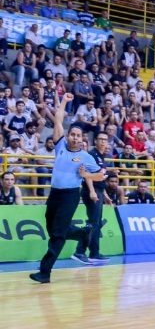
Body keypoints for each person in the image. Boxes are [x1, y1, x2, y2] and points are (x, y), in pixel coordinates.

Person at [29, 93, 106, 283]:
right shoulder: (60, 146)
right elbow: (58, 120)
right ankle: (82, 233)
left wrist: (86, 175)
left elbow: (101, 175)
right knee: (52, 227)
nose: (75, 138)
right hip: (54, 194)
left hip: (70, 196)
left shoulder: (86, 157)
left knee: (58, 234)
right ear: (68, 135)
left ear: (82, 139)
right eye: (72, 134)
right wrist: (64, 101)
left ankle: (45, 272)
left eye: (78, 136)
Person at [74, 131, 114, 264]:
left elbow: (100, 178)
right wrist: (92, 191)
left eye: (105, 140)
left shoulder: (102, 156)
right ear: (95, 141)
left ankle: (94, 253)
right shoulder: (91, 155)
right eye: (100, 139)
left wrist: (105, 195)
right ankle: (79, 251)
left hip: (99, 190)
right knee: (92, 223)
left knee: (96, 223)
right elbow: (87, 174)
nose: (103, 142)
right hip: (91, 191)